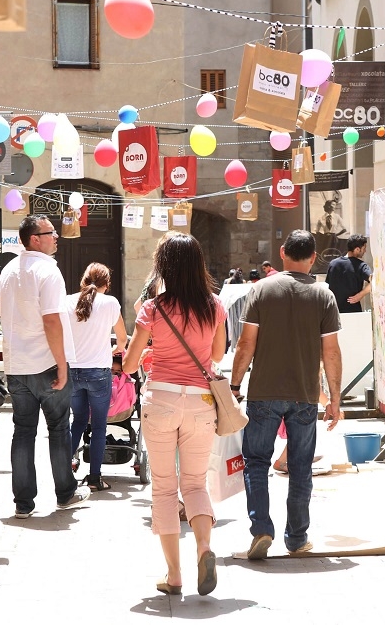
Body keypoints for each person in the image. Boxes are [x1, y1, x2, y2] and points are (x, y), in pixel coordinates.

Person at [123, 233, 227, 596]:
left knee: (165, 489)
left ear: (163, 266)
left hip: (162, 400)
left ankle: (174, 575)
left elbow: (130, 363)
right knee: (196, 484)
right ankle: (205, 547)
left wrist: (150, 354)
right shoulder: (214, 306)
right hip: (200, 403)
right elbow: (215, 356)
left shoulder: (152, 309)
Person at [231, 229, 343, 559]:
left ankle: (262, 528)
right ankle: (296, 538)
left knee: (255, 462)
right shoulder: (324, 295)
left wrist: (235, 385)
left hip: (263, 392)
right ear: (312, 259)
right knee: (300, 465)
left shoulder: (261, 290)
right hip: (305, 394)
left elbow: (245, 344)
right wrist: (335, 398)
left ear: (282, 252)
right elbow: (331, 352)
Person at [0, 214, 90, 518]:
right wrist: (62, 365)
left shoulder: (9, 269)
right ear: (34, 239)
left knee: (23, 431)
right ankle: (65, 493)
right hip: (46, 363)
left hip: (17, 365)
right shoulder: (47, 271)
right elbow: (51, 320)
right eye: (51, 233)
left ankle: (23, 504)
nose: (56, 237)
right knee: (59, 429)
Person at [65, 262, 128, 491]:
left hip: (72, 370)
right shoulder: (110, 303)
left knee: (78, 421)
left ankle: (65, 474)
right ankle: (94, 479)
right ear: (106, 284)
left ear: (83, 280)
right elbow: (122, 339)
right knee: (100, 425)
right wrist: (113, 351)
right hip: (99, 372)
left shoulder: (68, 301)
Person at [325, 233, 373, 313]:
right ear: (357, 249)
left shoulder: (333, 264)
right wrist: (360, 295)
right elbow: (374, 281)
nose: (365, 251)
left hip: (334, 312)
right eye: (364, 248)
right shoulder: (361, 266)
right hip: (354, 313)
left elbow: (327, 288)